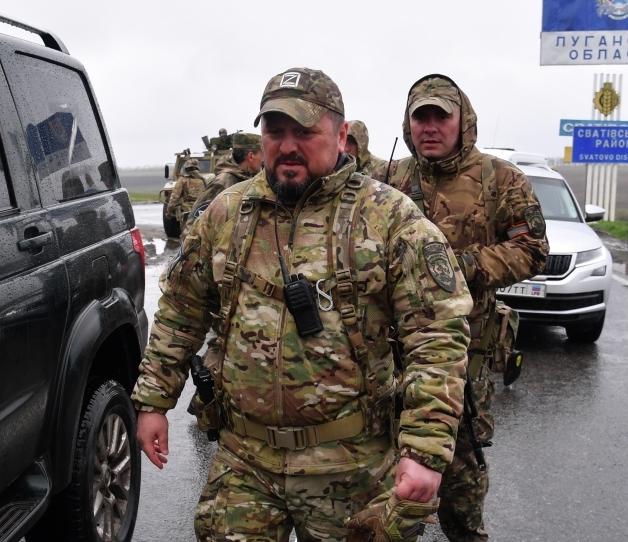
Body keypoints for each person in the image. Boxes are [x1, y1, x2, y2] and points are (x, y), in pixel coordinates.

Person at [131, 67, 474, 542]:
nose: (288, 146)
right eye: (275, 132)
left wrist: (424, 451)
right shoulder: (226, 214)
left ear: (341, 135)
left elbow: (437, 337)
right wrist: (153, 400)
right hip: (244, 461)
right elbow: (180, 311)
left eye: (305, 132)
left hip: (351, 466)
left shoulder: (389, 218)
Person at [375, 74, 549, 542]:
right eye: (421, 117)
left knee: (460, 475)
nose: (430, 127)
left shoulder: (500, 179)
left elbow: (533, 249)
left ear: (463, 120)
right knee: (384, 471)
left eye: (441, 116)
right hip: (391, 353)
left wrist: (462, 267)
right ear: (408, 123)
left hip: (464, 354)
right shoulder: (388, 180)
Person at [184, 132, 263, 233]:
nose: (263, 159)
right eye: (262, 154)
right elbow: (194, 225)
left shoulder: (255, 180)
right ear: (250, 156)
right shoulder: (223, 183)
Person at [166, 158, 207, 237]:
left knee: (186, 234)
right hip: (201, 210)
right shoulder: (204, 180)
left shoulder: (183, 180)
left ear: (186, 169)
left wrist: (169, 211)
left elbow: (174, 197)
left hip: (187, 211)